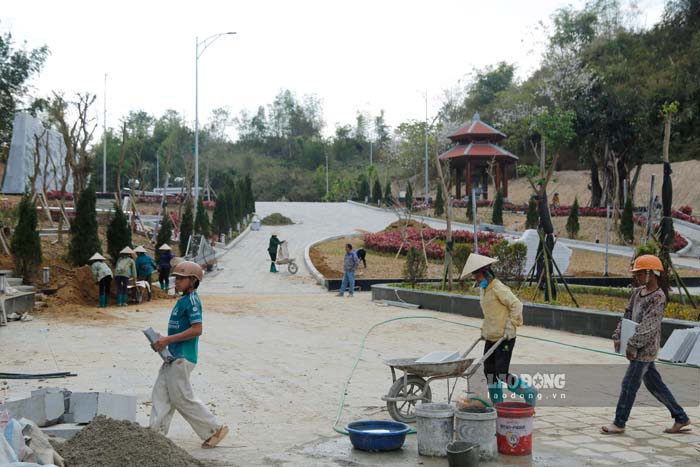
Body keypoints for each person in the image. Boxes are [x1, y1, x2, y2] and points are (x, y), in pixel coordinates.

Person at [603, 255, 691, 435]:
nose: (637, 276)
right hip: (635, 348)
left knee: (629, 385)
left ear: (652, 273)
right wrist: (618, 336)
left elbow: (649, 326)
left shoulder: (658, 297)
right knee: (655, 385)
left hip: (644, 350)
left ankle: (619, 422)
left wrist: (633, 345)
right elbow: (627, 315)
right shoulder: (637, 293)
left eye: (640, 273)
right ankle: (681, 417)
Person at [150, 261, 229, 448]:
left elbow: (197, 330)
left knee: (181, 397)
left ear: (193, 281)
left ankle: (214, 429)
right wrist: (163, 339)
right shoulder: (182, 301)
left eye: (181, 279)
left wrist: (168, 340)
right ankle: (155, 436)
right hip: (172, 356)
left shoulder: (193, 301)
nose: (176, 282)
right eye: (176, 278)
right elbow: (181, 329)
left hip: (183, 357)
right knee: (160, 394)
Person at [460, 254, 537, 406]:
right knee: (489, 372)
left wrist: (511, 324)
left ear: (485, 274)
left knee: (501, 373)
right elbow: (491, 313)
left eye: (477, 277)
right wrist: (485, 330)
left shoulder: (498, 288)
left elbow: (516, 305)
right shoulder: (485, 290)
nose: (476, 280)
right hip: (492, 336)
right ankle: (498, 405)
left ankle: (528, 391)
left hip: (505, 337)